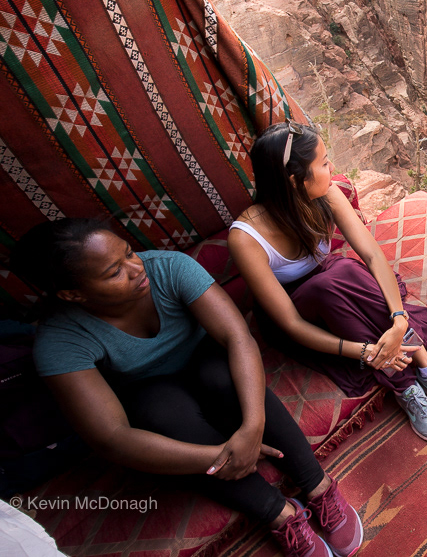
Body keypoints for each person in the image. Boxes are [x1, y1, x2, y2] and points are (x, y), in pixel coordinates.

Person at [11, 219, 362, 557]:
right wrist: (218, 458)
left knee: (220, 372)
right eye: (114, 272)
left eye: (129, 253)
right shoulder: (60, 341)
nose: (136, 269)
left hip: (207, 365)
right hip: (152, 393)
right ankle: (280, 514)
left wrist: (252, 428)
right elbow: (111, 437)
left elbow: (237, 336)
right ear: (73, 294)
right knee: (158, 411)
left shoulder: (168, 268)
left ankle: (317, 485)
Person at [229, 122, 427, 444]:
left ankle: (426, 367)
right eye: (324, 162)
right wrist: (365, 351)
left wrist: (399, 321)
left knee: (345, 270)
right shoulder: (246, 238)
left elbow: (372, 255)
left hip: (337, 286)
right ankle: (404, 385)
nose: (332, 169)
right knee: (330, 282)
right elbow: (289, 322)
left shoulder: (326, 194)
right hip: (297, 313)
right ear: (295, 180)